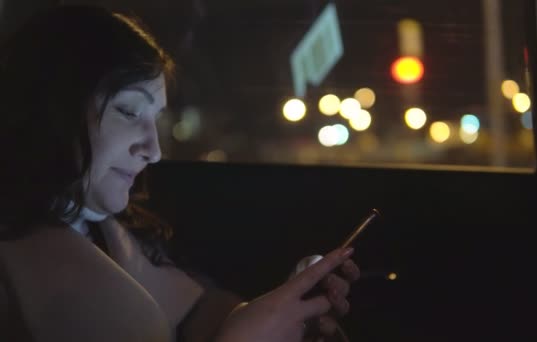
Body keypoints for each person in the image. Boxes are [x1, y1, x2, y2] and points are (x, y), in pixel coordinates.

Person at [0, 5, 360, 342]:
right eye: (128, 111)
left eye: (155, 119)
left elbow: (195, 311)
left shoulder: (110, 228)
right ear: (52, 112)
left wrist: (283, 309)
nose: (153, 151)